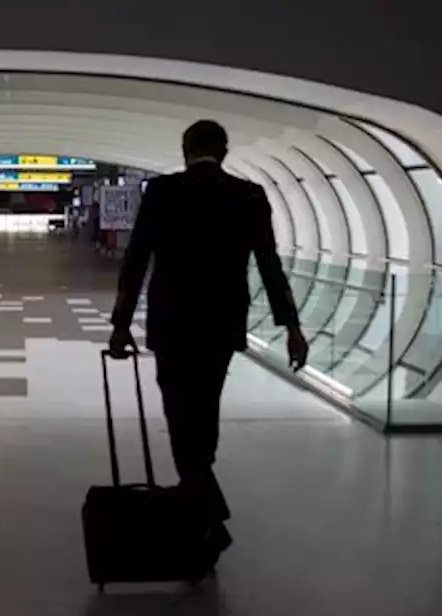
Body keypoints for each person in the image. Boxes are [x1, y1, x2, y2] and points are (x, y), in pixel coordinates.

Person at [107, 119, 309, 574]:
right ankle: (201, 511)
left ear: (185, 150)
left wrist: (121, 324)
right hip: (221, 324)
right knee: (204, 411)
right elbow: (270, 265)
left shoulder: (161, 193)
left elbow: (136, 261)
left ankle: (210, 518)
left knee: (180, 416)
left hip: (172, 322)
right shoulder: (249, 196)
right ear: (224, 150)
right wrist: (292, 326)